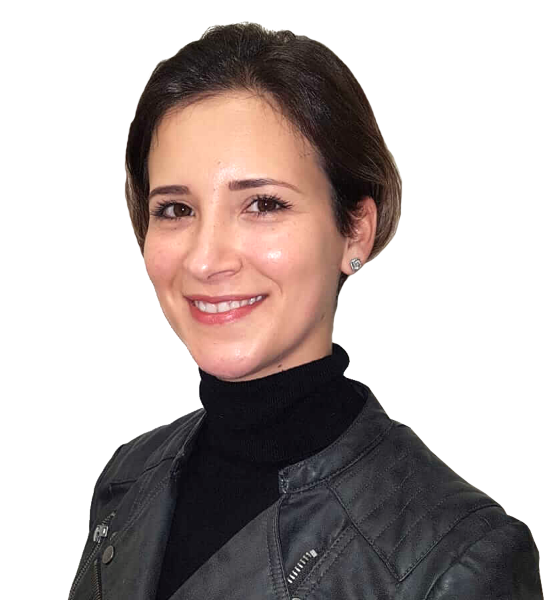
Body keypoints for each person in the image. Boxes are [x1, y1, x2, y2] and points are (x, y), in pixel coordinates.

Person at [68, 22, 542, 600]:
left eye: (263, 204)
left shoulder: (455, 558)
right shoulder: (127, 477)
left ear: (355, 230)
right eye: (175, 209)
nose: (205, 259)